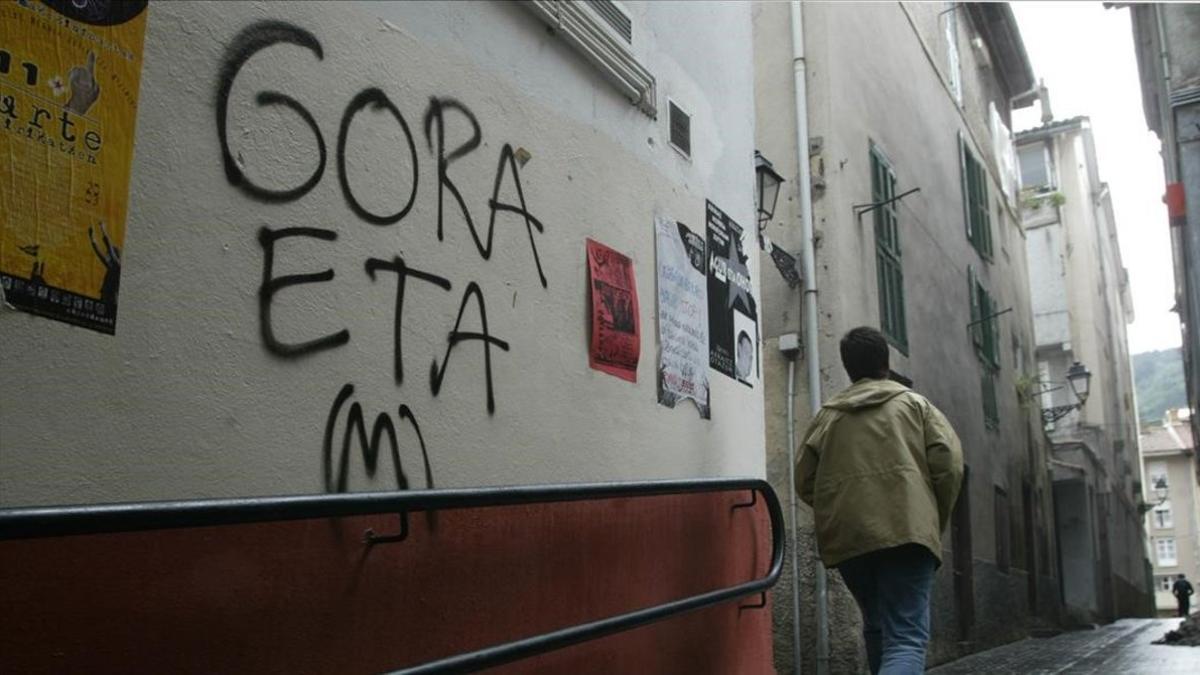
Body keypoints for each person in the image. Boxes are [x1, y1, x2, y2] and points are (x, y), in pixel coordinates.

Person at [797, 327, 964, 675]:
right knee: (905, 637)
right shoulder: (916, 406)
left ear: (849, 369)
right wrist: (934, 516)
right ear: (886, 364)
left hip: (851, 539)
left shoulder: (828, 418)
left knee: (876, 624)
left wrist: (843, 508)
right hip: (908, 530)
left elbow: (804, 480)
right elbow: (949, 466)